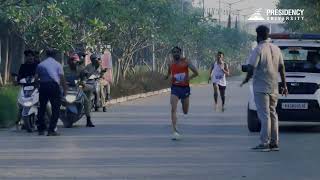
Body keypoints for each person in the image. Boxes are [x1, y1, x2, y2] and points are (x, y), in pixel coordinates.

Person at [240, 25, 288, 151]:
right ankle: (274, 142)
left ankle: (264, 143)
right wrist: (284, 85)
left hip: (261, 87)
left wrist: (246, 79)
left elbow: (251, 67)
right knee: (273, 114)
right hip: (274, 87)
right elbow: (282, 68)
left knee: (264, 115)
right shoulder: (276, 48)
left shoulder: (258, 49)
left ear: (258, 36)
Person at [165, 46, 199, 140]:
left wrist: (189, 78)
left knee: (185, 111)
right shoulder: (170, 63)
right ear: (172, 54)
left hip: (185, 88)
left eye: (177, 52)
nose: (175, 54)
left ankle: (184, 107)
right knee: (173, 108)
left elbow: (196, 72)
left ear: (180, 53)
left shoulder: (186, 61)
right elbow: (169, 72)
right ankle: (175, 130)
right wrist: (166, 77)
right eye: (174, 52)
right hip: (175, 88)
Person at [35, 48, 67, 136]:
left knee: (41, 108)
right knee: (55, 109)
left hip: (43, 86)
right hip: (54, 86)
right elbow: (62, 78)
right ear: (55, 55)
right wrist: (65, 90)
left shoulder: (41, 65)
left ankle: (41, 129)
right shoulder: (58, 65)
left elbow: (36, 78)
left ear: (46, 55)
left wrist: (37, 87)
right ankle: (51, 130)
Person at [64, 54, 95, 127]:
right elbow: (60, 76)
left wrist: (83, 81)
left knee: (86, 100)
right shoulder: (64, 68)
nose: (74, 62)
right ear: (69, 61)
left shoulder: (81, 68)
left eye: (75, 61)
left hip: (77, 87)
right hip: (66, 88)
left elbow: (84, 77)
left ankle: (88, 120)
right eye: (72, 60)